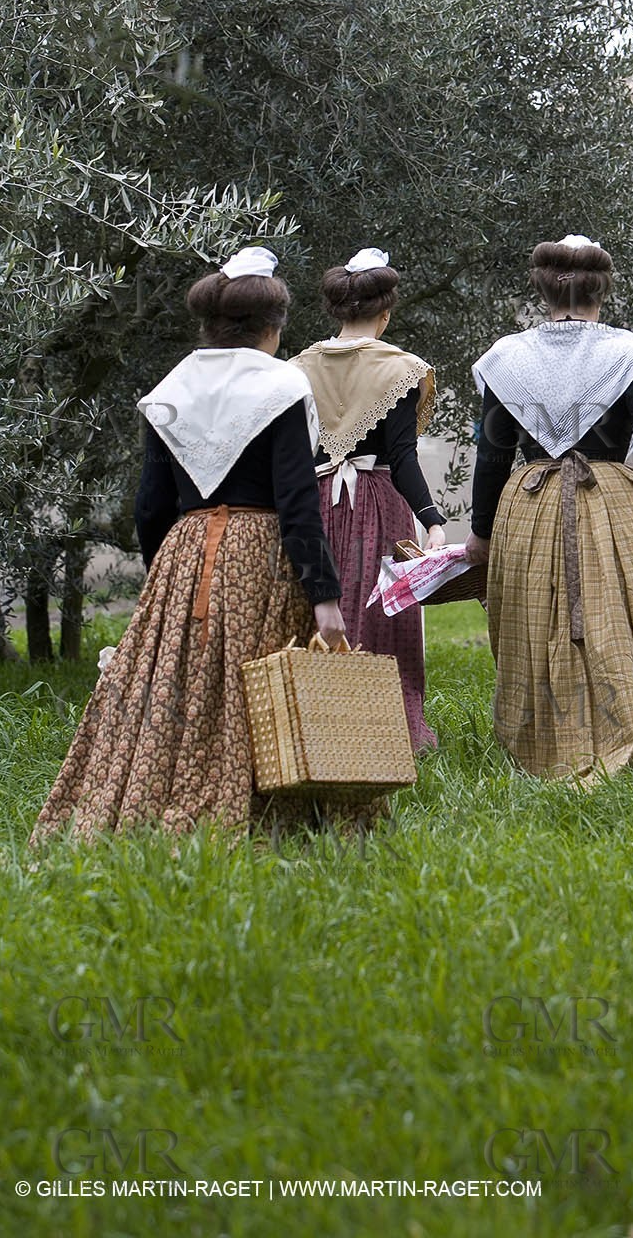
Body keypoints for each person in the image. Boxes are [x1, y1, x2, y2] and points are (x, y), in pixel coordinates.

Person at [31, 246, 366, 843]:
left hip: (184, 552)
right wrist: (324, 595)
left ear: (209, 323)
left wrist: (169, 574)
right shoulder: (284, 384)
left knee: (176, 687)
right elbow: (297, 503)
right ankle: (269, 816)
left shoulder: (172, 387)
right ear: (273, 327)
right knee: (255, 685)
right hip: (260, 553)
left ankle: (157, 800)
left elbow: (150, 506)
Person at [464, 235, 633, 781]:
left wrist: (482, 530)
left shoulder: (509, 358)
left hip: (528, 505)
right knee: (626, 617)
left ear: (543, 287)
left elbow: (493, 450)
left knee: (532, 619)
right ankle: (627, 738)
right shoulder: (625, 353)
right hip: (611, 501)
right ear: (603, 287)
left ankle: (544, 745)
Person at [293, 247, 445, 754]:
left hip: (312, 502)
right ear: (386, 312)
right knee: (381, 613)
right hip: (378, 503)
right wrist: (432, 519)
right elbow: (401, 457)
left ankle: (316, 728)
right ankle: (386, 731)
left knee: (315, 607)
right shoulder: (400, 369)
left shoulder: (298, 367)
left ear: (338, 309)